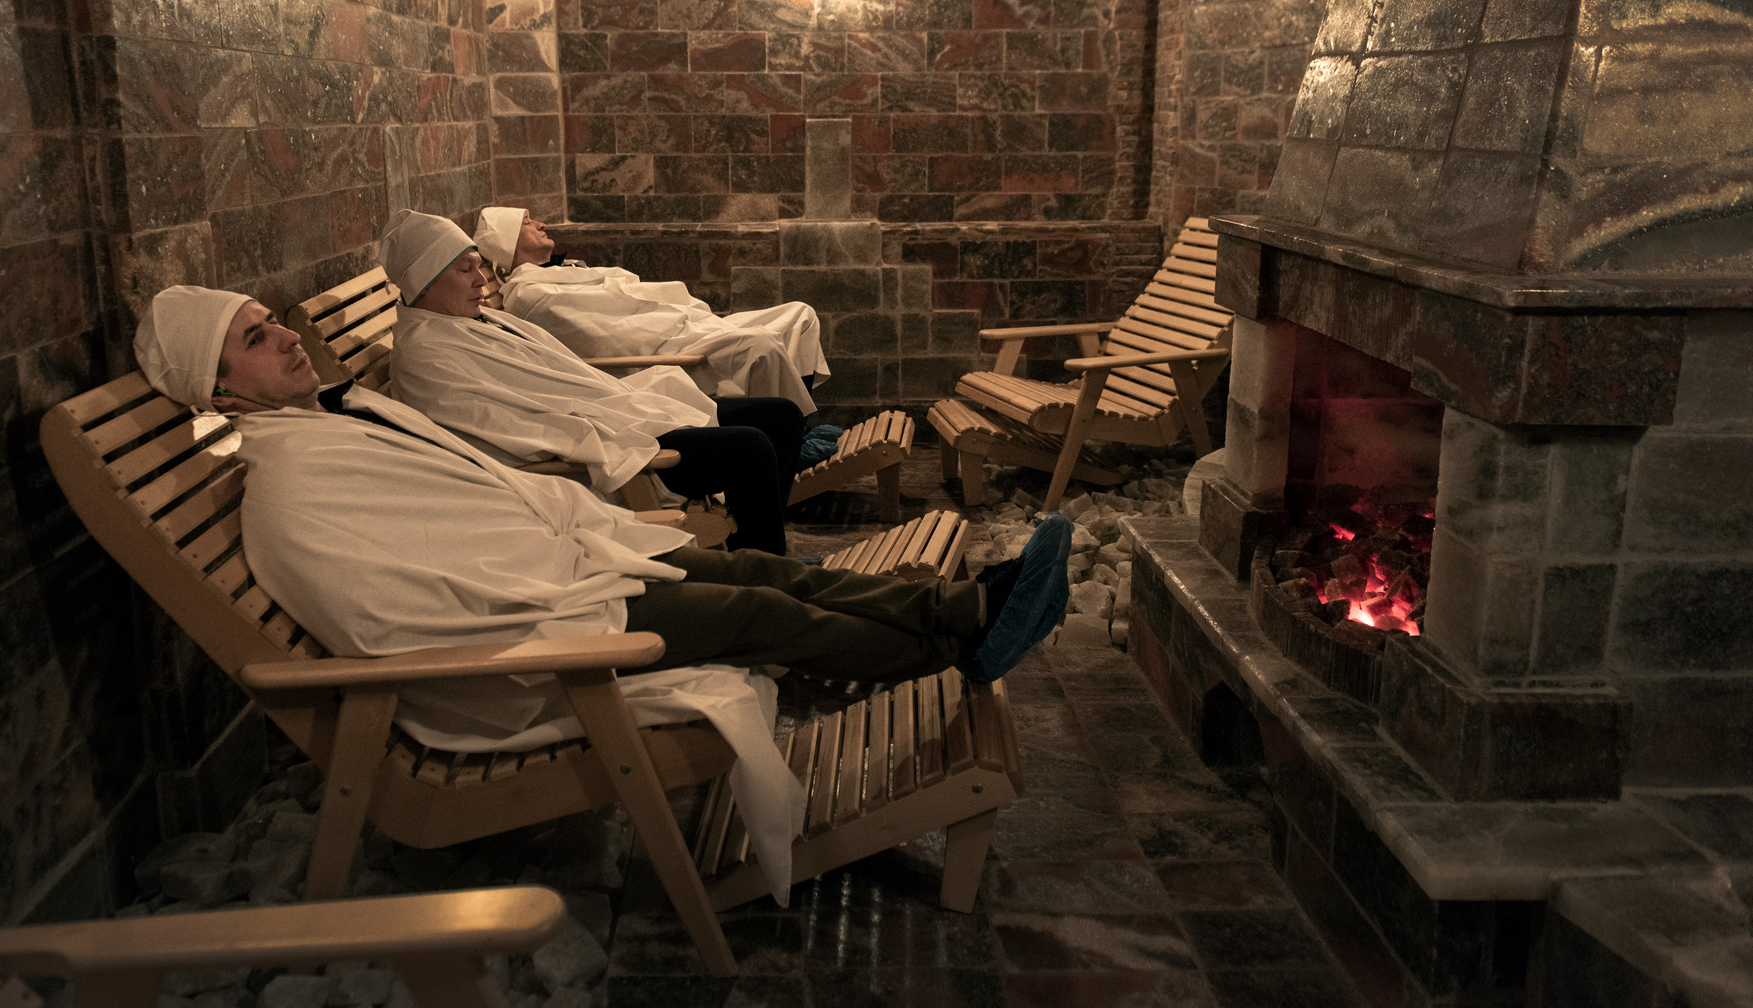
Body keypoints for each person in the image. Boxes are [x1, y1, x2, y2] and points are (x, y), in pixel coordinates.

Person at [132, 284, 1072, 903]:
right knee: (758, 614)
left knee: (759, 571)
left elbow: (455, 510)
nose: (286, 336)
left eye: (272, 319)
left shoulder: (325, 427)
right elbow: (386, 614)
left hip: (564, 577)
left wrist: (577, 540)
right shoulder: (290, 490)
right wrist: (552, 590)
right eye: (255, 338)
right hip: (532, 642)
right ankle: (959, 645)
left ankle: (960, 608)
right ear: (220, 391)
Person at [377, 209, 803, 554]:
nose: (480, 280)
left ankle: (755, 550)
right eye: (464, 270)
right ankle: (765, 572)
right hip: (600, 454)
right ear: (426, 283)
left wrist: (620, 402)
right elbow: (497, 429)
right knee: (751, 447)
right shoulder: (425, 355)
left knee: (781, 416)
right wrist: (599, 428)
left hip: (617, 412)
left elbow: (561, 373)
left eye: (478, 267)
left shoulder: (474, 319)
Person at [473, 207, 829, 415]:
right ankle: (793, 443)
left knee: (801, 315)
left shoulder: (557, 274)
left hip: (686, 326)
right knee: (761, 345)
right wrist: (684, 334)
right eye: (527, 222)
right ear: (507, 241)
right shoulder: (530, 296)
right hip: (665, 352)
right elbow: (610, 338)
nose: (541, 224)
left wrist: (693, 321)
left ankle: (794, 422)